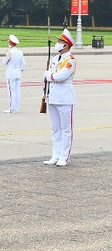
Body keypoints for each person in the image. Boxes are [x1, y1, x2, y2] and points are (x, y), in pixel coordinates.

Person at [44, 29, 77, 167]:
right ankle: (55, 155)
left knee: (66, 129)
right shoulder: (54, 59)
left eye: (60, 42)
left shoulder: (70, 60)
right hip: (52, 96)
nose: (57, 44)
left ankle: (64, 156)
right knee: (55, 129)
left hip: (65, 97)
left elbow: (59, 76)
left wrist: (49, 75)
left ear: (66, 45)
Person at [3, 34, 26, 113]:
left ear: (10, 43)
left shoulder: (9, 52)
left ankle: (12, 108)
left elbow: (4, 62)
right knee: (17, 91)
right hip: (18, 73)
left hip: (11, 73)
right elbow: (23, 64)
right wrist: (20, 70)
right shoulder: (20, 52)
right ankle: (17, 107)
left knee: (11, 91)